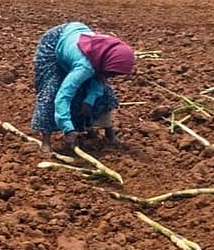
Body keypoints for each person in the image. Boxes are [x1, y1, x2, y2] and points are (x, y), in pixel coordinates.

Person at [30, 22, 135, 154]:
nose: (112, 76)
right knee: (52, 90)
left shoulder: (105, 55)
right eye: (112, 73)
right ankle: (46, 140)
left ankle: (107, 132)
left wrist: (89, 101)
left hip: (81, 41)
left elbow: (100, 78)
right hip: (56, 41)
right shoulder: (85, 67)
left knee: (105, 93)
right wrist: (67, 129)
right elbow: (63, 96)